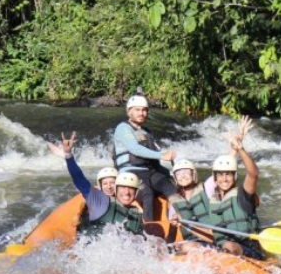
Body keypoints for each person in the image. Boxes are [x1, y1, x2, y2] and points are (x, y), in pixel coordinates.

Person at [49, 132, 145, 237]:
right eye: (105, 183)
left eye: (112, 183)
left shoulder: (136, 214)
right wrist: (68, 156)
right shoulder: (100, 201)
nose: (126, 192)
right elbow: (80, 180)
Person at [202, 116, 263, 257]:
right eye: (221, 175)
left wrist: (240, 148)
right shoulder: (213, 197)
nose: (224, 179)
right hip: (224, 250)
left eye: (228, 175)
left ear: (234, 176)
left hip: (248, 249)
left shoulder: (243, 194)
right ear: (215, 178)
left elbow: (253, 173)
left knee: (229, 246)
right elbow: (225, 162)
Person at [112, 93, 176, 222]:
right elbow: (135, 149)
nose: (142, 113)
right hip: (131, 172)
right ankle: (149, 230)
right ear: (129, 111)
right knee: (147, 193)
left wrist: (172, 173)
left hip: (150, 171)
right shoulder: (123, 128)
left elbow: (156, 158)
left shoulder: (147, 132)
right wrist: (162, 155)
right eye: (137, 110)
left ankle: (181, 220)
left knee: (171, 189)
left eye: (144, 110)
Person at [166, 158, 214, 249]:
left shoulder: (206, 188)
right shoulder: (174, 202)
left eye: (186, 172)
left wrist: (234, 150)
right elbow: (171, 236)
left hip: (212, 239)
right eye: (178, 174)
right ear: (175, 178)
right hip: (190, 242)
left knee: (189, 246)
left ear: (193, 174)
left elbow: (221, 169)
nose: (183, 176)